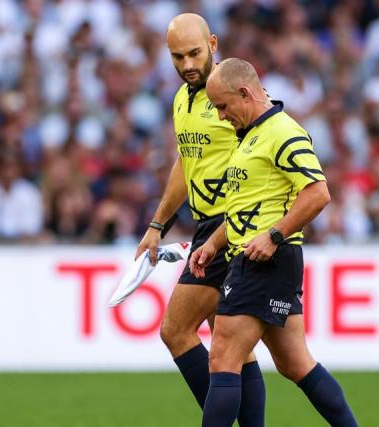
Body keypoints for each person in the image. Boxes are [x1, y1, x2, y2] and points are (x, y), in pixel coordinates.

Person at [191, 58, 358, 427]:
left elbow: (317, 193)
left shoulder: (284, 132)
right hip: (258, 257)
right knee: (295, 363)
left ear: (246, 93)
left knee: (222, 358)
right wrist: (215, 243)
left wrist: (274, 235)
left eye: (222, 106)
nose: (220, 116)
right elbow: (247, 206)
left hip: (264, 261)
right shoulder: (250, 135)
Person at [134, 14, 265, 425]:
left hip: (232, 226)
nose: (188, 64)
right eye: (177, 56)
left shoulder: (234, 98)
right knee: (237, 349)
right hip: (206, 225)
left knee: (175, 330)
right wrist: (158, 225)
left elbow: (268, 149)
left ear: (212, 42)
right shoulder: (182, 99)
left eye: (194, 53)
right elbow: (186, 164)